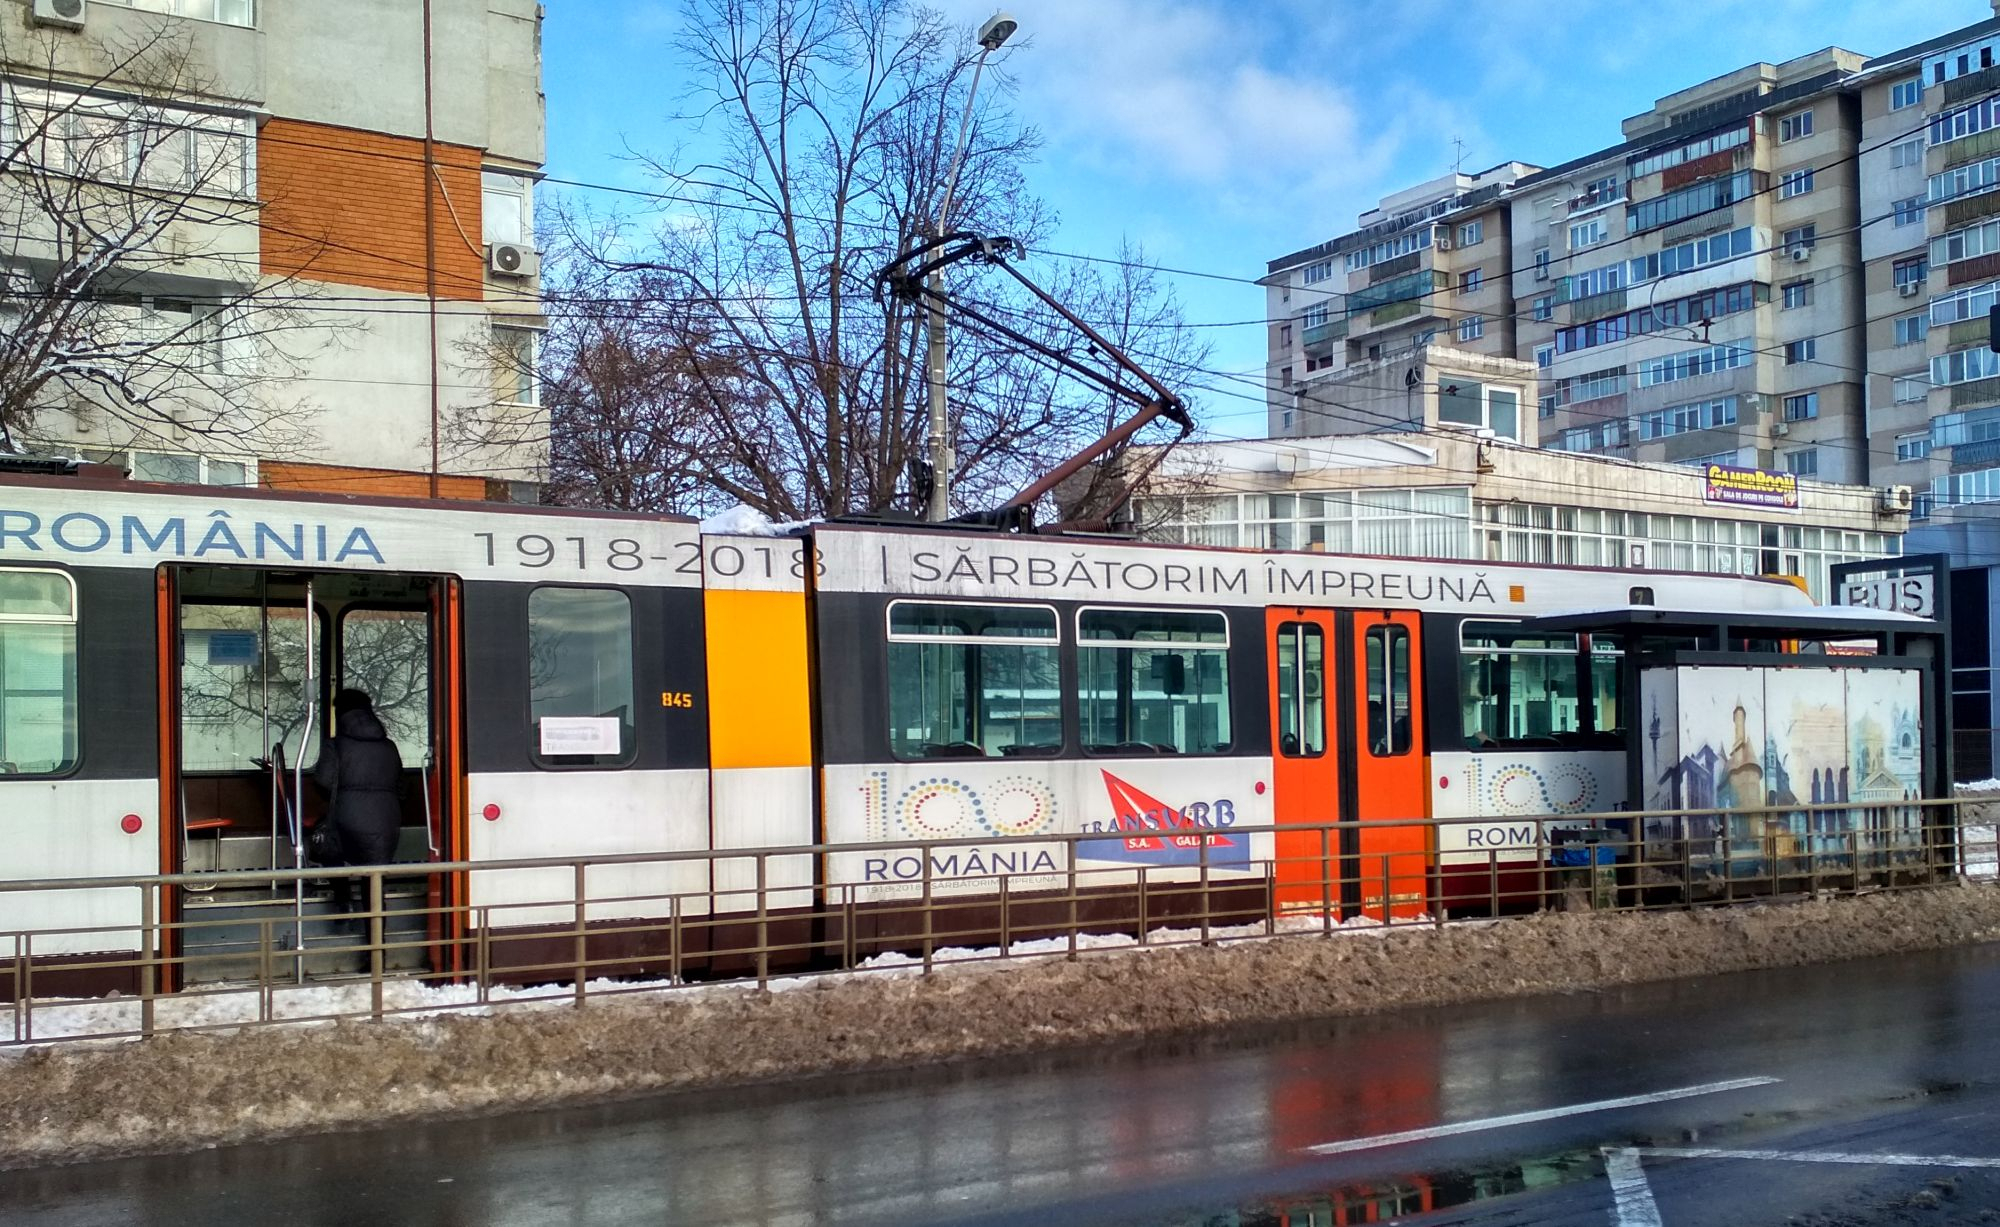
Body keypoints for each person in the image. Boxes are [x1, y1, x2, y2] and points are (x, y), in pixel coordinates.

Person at [313, 689, 405, 916]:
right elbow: (402, 786)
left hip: (348, 814)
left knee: (331, 851)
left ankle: (343, 900)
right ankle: (376, 946)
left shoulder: (335, 745)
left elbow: (323, 780)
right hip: (386, 819)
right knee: (374, 881)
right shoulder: (389, 746)